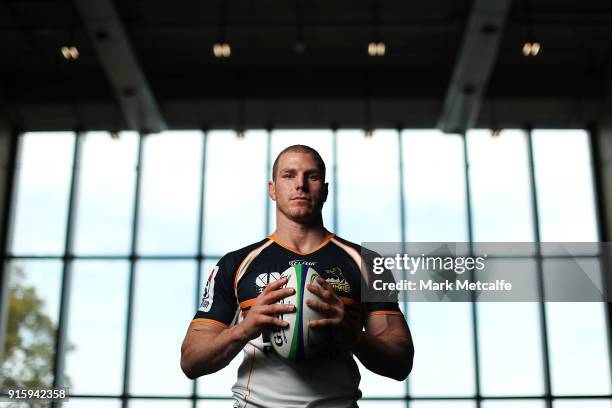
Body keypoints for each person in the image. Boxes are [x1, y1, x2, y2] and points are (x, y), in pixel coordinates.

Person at [181, 144, 414, 407]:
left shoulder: (368, 263)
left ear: (325, 190)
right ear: (272, 189)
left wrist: (352, 335)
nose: (300, 185)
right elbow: (191, 361)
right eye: (289, 175)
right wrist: (244, 329)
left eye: (312, 176)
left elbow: (401, 362)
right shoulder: (235, 264)